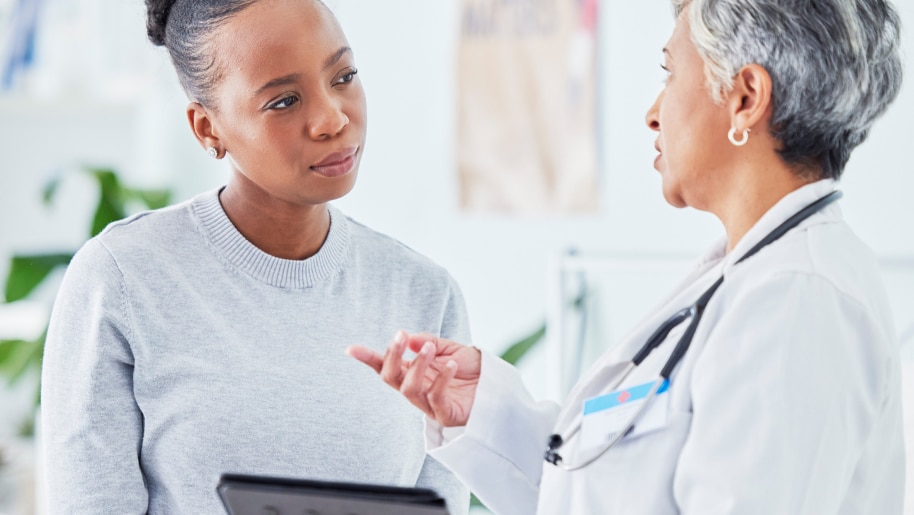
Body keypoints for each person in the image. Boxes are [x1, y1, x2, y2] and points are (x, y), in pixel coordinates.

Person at [348, 0, 906, 513]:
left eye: (670, 73)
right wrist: (488, 415)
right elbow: (608, 492)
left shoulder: (797, 300)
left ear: (745, 99)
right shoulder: (751, 279)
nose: (653, 113)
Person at [40, 0, 470, 512]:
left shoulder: (425, 293)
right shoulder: (122, 280)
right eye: (284, 101)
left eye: (344, 75)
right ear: (208, 129)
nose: (333, 118)